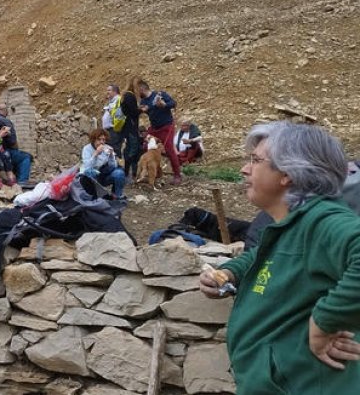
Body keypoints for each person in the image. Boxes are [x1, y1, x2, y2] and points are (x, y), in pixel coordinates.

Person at [198, 122, 360, 394]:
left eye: (256, 160)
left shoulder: (322, 222)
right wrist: (230, 272)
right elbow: (271, 257)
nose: (244, 169)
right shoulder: (292, 224)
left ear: (288, 173)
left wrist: (324, 321)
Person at [137, 79, 182, 184]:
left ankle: (177, 175)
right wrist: (143, 110)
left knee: (169, 150)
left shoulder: (160, 94)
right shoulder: (143, 101)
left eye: (138, 90)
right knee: (145, 147)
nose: (137, 93)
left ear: (142, 89)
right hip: (154, 128)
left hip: (166, 126)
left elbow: (173, 103)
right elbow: (145, 110)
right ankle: (155, 172)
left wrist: (164, 104)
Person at [0, 104, 33, 185]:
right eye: (7, 111)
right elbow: (12, 142)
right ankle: (22, 182)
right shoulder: (5, 121)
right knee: (25, 157)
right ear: (5, 111)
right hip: (3, 152)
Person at [80, 129, 126, 200]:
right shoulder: (87, 149)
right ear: (93, 139)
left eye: (104, 140)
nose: (101, 142)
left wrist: (111, 156)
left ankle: (117, 196)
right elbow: (87, 167)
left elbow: (113, 166)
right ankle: (94, 196)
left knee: (119, 173)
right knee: (90, 173)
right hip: (91, 177)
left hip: (103, 175)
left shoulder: (107, 148)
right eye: (99, 139)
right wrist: (95, 154)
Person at [121, 78, 143, 179]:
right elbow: (133, 112)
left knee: (133, 148)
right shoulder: (130, 96)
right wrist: (141, 110)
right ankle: (127, 171)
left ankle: (133, 172)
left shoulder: (126, 95)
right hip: (131, 126)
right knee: (133, 149)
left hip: (129, 126)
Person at [101, 85, 127, 158]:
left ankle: (116, 166)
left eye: (109, 90)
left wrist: (116, 127)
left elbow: (119, 115)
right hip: (110, 131)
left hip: (114, 130)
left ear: (115, 91)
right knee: (109, 149)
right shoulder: (112, 101)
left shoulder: (118, 100)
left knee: (114, 149)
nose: (107, 92)